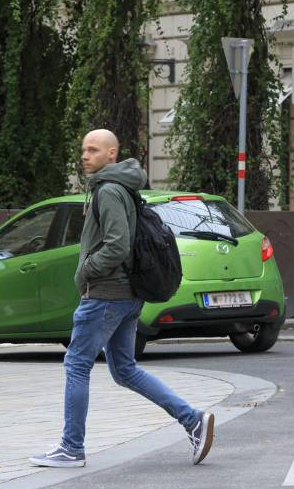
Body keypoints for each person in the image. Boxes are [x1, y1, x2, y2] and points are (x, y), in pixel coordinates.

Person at [31, 129, 214, 468]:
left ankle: (71, 448)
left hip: (106, 294)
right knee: (125, 369)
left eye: (94, 150)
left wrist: (84, 270)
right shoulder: (121, 187)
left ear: (112, 154)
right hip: (127, 294)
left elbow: (117, 244)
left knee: (76, 364)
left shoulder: (109, 191)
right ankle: (192, 420)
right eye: (84, 149)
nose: (85, 155)